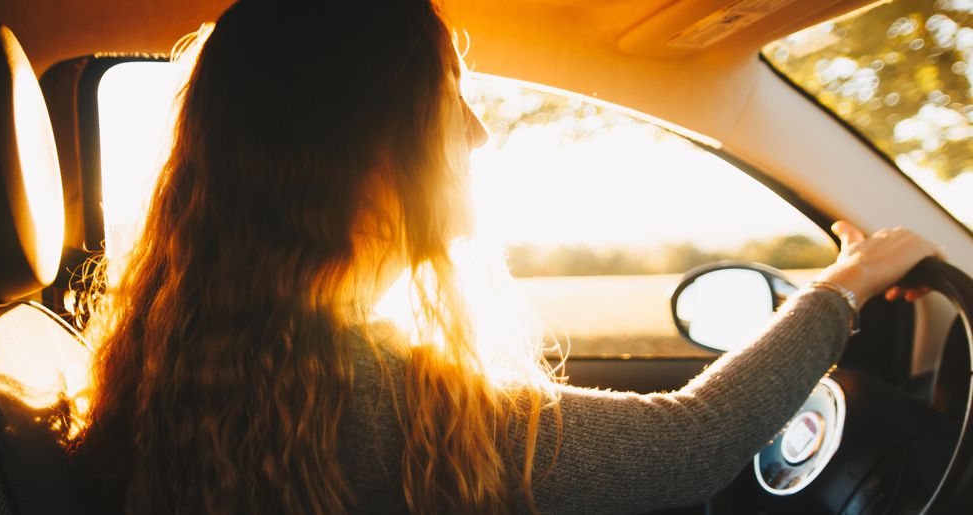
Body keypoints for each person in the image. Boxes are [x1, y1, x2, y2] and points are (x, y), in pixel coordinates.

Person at [71, 0, 946, 513]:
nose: (480, 135)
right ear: (362, 150)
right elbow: (693, 440)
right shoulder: (361, 394)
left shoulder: (197, 360)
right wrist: (847, 282)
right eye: (448, 103)